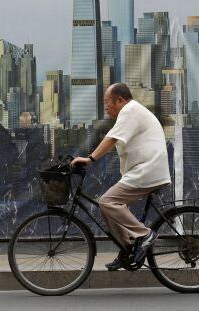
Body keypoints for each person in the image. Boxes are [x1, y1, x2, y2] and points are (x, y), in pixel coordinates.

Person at [70, 82, 171, 270]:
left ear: (120, 100)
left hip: (147, 171)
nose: (106, 106)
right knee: (109, 208)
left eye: (108, 101)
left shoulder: (130, 110)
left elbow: (112, 138)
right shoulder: (132, 112)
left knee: (107, 201)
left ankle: (143, 235)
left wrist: (90, 159)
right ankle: (128, 249)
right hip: (142, 170)